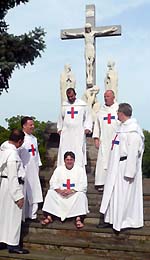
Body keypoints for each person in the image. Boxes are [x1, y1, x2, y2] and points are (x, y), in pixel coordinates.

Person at [100, 103, 144, 232]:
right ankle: (111, 219)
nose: (116, 114)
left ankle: (123, 221)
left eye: (118, 112)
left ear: (122, 113)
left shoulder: (133, 130)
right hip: (116, 166)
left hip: (125, 167)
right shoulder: (121, 128)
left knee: (123, 195)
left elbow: (134, 152)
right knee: (113, 193)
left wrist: (130, 172)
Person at [41, 151, 89, 228]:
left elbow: (83, 184)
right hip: (61, 194)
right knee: (50, 193)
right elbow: (52, 182)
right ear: (64, 160)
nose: (69, 161)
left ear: (74, 160)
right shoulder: (59, 169)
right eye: (67, 159)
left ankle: (78, 219)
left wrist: (72, 191)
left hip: (73, 195)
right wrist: (59, 191)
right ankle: (49, 216)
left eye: (71, 160)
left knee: (81, 195)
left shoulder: (80, 170)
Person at [0, 129, 29, 254]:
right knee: (14, 216)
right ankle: (13, 244)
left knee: (4, 215)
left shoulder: (3, 150)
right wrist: (18, 196)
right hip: (12, 186)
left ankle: (2, 241)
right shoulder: (12, 154)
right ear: (20, 141)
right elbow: (12, 176)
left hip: (4, 186)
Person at [57, 87, 92, 167]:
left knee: (78, 151)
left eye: (72, 96)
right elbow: (60, 118)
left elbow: (88, 117)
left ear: (75, 94)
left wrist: (87, 128)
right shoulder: (64, 105)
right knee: (65, 150)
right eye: (69, 97)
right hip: (66, 133)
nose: (70, 98)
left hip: (78, 133)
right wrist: (59, 128)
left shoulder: (82, 105)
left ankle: (79, 169)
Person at [93, 90, 119, 189]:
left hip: (115, 141)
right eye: (104, 96)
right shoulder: (101, 111)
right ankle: (101, 182)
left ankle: (114, 182)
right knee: (103, 161)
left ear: (113, 97)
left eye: (108, 96)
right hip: (104, 140)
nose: (105, 98)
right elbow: (97, 125)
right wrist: (96, 138)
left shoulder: (118, 109)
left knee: (114, 159)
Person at [19, 116, 43, 221]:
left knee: (34, 192)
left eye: (33, 124)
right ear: (24, 126)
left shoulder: (34, 138)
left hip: (34, 169)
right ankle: (23, 216)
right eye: (30, 125)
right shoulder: (21, 139)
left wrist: (38, 166)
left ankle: (32, 215)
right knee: (24, 192)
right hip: (24, 169)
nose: (33, 126)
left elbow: (36, 155)